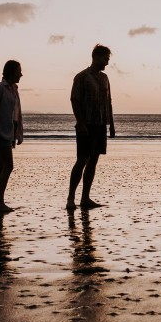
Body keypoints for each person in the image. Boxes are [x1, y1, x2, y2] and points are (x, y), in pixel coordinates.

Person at [67, 44, 115, 210]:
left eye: (108, 59)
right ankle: (70, 198)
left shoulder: (105, 78)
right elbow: (75, 100)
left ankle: (85, 197)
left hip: (101, 124)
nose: (107, 63)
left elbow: (108, 102)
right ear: (96, 57)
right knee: (82, 160)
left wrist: (112, 125)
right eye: (105, 59)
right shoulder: (82, 77)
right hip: (86, 125)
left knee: (94, 160)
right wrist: (80, 122)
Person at [0, 59, 23, 214]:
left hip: (9, 134)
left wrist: (18, 133)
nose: (21, 74)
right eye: (18, 71)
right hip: (1, 134)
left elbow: (16, 114)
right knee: (8, 166)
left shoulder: (14, 89)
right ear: (11, 71)